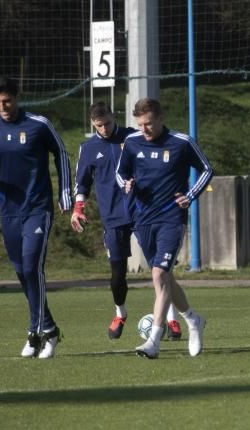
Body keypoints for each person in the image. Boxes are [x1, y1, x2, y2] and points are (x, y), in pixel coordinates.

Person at [0, 77, 72, 359]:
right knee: (21, 272)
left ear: (17, 98)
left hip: (38, 207)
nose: (2, 107)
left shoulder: (38, 125)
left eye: (7, 101)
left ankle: (35, 333)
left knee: (32, 267)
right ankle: (50, 329)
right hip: (8, 211)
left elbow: (61, 154)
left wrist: (65, 191)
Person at [72, 102, 182, 340]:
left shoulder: (134, 138)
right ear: (93, 124)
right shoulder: (88, 148)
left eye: (108, 123)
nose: (104, 129)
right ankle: (120, 313)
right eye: (99, 126)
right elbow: (82, 183)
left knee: (160, 269)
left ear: (114, 116)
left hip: (143, 211)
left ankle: (172, 319)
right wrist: (78, 208)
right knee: (117, 274)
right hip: (112, 217)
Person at [116, 98, 213, 358]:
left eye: (148, 124)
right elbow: (120, 172)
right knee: (165, 278)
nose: (144, 129)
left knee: (159, 275)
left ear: (160, 118)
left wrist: (190, 195)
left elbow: (206, 169)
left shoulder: (182, 142)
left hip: (172, 218)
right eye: (140, 125)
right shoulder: (133, 143)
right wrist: (126, 184)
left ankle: (154, 340)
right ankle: (193, 320)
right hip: (142, 219)